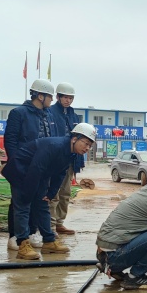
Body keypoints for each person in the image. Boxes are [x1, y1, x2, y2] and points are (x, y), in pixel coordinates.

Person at [2, 123, 97, 261]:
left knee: (42, 204)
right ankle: (22, 245)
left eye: (90, 146)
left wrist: (50, 193)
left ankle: (49, 241)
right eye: (86, 143)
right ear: (74, 139)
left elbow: (60, 173)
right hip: (20, 170)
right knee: (23, 206)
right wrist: (28, 193)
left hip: (37, 174)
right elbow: (36, 167)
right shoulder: (55, 145)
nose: (87, 148)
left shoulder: (71, 153)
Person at [4, 78, 55, 251]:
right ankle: (15, 236)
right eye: (50, 96)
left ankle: (32, 233)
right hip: (23, 165)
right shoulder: (19, 113)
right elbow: (10, 141)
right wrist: (16, 164)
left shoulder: (48, 115)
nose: (52, 100)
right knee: (20, 202)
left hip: (41, 167)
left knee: (38, 200)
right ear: (40, 96)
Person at [47, 82, 84, 236]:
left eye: (70, 98)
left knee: (65, 193)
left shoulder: (73, 115)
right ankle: (50, 225)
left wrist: (78, 162)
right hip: (55, 160)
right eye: (65, 97)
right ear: (58, 97)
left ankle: (59, 223)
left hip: (70, 159)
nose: (68, 100)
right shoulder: (49, 113)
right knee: (53, 193)